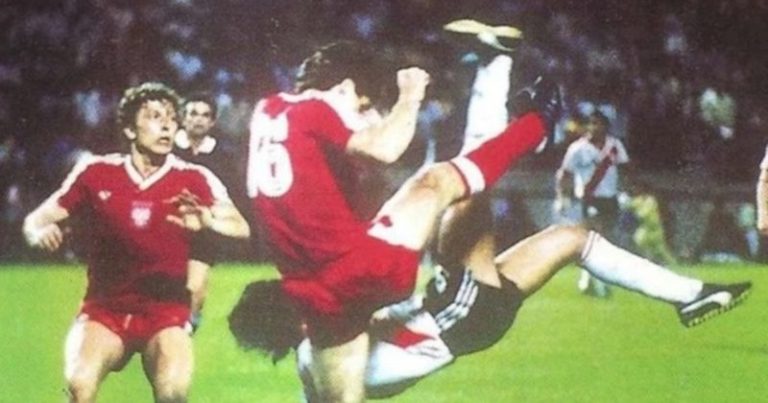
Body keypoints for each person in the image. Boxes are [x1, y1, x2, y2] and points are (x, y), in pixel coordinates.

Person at [245, 40, 559, 402]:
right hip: (366, 268)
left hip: (317, 297)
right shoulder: (315, 107)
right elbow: (386, 149)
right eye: (364, 107)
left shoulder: (266, 111)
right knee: (436, 181)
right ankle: (537, 126)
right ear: (345, 87)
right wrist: (409, 96)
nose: (365, 116)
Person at [229, 209, 751, 400]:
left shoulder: (313, 363)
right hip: (455, 318)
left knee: (572, 238)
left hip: (458, 317)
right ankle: (491, 70)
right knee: (466, 202)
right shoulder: (321, 349)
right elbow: (375, 295)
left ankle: (690, 295)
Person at [22, 82, 250, 403]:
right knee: (78, 387)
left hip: (166, 313)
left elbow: (241, 226)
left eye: (172, 118)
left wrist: (209, 221)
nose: (167, 125)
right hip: (105, 310)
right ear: (130, 130)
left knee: (173, 394)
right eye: (155, 117)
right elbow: (36, 220)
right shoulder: (96, 172)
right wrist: (37, 234)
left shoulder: (195, 177)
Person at [175, 91, 243, 331]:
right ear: (183, 118)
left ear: (212, 122)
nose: (198, 120)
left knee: (195, 291)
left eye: (205, 115)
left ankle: (186, 331)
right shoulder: (167, 148)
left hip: (203, 231)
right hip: (167, 227)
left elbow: (231, 195)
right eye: (193, 113)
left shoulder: (222, 156)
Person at [555, 110, 630, 297]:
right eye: (591, 123)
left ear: (606, 127)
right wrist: (562, 196)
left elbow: (626, 168)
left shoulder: (614, 146)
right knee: (597, 235)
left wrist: (627, 191)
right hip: (589, 198)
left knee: (606, 239)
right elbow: (565, 174)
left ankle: (587, 279)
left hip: (610, 198)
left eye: (598, 123)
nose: (593, 127)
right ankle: (600, 285)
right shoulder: (577, 148)